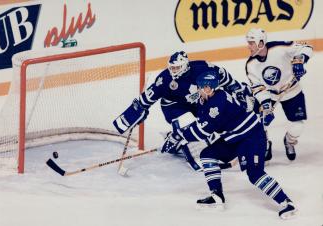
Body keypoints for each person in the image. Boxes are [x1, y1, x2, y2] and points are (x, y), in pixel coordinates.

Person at [160, 70, 297, 219]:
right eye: (202, 87)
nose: (204, 90)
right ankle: (217, 195)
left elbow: (201, 132)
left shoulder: (216, 105)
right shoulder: (207, 99)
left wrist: (178, 136)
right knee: (207, 155)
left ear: (213, 88)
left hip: (251, 138)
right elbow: (244, 90)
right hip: (233, 138)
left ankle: (286, 202)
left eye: (207, 87)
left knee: (255, 174)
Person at [113, 51, 253, 170]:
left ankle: (175, 141)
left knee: (210, 126)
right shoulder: (164, 79)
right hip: (174, 107)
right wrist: (132, 116)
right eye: (171, 67)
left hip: (197, 102)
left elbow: (222, 75)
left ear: (186, 66)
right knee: (188, 125)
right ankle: (196, 155)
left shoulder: (201, 67)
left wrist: (237, 89)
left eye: (177, 67)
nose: (173, 71)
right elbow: (144, 100)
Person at [245, 28, 313, 161]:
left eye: (251, 42)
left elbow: (306, 47)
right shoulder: (251, 65)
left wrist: (300, 60)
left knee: (298, 126)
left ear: (260, 43)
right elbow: (258, 88)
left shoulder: (280, 47)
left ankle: (289, 141)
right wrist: (266, 106)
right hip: (270, 95)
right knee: (260, 123)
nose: (248, 46)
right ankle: (265, 144)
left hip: (292, 90)